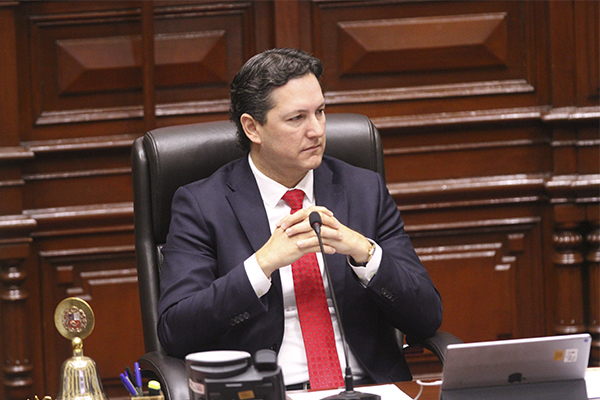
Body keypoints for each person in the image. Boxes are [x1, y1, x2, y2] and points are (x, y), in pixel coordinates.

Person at [157, 48, 443, 389]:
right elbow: (176, 331)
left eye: (320, 112)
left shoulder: (363, 189)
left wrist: (365, 254)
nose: (317, 130)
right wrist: (261, 265)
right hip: (265, 392)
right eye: (297, 119)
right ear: (252, 128)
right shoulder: (203, 204)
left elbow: (427, 318)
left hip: (368, 388)